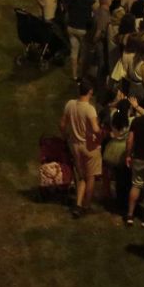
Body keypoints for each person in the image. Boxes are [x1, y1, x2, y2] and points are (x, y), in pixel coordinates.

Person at [59, 78, 101, 218]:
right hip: (89, 146)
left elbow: (62, 124)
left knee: (81, 176)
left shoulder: (70, 104)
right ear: (91, 91)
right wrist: (100, 138)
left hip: (75, 145)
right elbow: (95, 129)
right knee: (90, 177)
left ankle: (77, 204)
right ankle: (86, 205)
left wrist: (65, 137)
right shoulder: (90, 109)